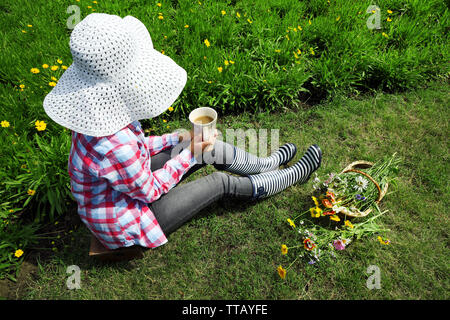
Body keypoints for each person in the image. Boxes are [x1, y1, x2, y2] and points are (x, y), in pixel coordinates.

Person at [43, 13, 322, 250]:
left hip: (125, 192)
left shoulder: (99, 117)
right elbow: (149, 190)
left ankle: (266, 164)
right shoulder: (114, 146)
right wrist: (190, 153)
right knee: (218, 182)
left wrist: (178, 139)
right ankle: (289, 176)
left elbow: (138, 146)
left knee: (202, 147)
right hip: (129, 222)